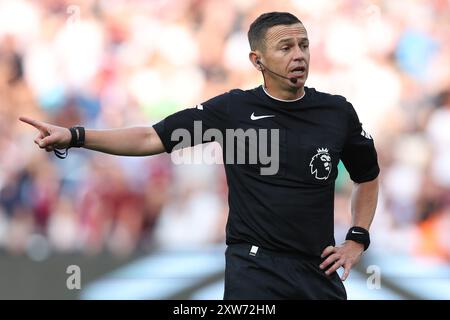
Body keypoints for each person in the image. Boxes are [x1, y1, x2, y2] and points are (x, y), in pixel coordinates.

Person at [20, 12, 379, 300]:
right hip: (254, 271)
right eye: (285, 47)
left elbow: (367, 175)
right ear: (258, 60)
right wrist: (75, 136)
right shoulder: (233, 110)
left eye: (303, 45)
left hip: (318, 271)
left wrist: (356, 238)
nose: (298, 54)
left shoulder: (336, 112)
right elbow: (150, 138)